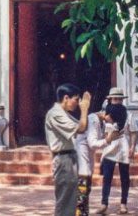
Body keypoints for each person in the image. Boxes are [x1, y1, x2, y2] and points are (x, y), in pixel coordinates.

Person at [45, 84, 92, 216]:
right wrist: (84, 109)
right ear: (66, 98)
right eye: (76, 100)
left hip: (69, 158)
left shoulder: (62, 113)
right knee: (65, 200)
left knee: (71, 200)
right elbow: (81, 128)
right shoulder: (55, 113)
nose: (77, 104)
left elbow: (82, 126)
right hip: (63, 160)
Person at [75, 102, 122, 215]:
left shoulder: (99, 122)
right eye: (113, 119)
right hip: (82, 164)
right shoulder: (93, 120)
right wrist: (108, 139)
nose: (112, 122)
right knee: (82, 194)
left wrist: (110, 137)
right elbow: (93, 144)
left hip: (86, 163)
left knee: (84, 194)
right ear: (107, 114)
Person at [96, 88, 136, 215]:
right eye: (115, 99)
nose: (117, 101)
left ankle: (123, 203)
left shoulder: (128, 114)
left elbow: (134, 131)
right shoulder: (104, 114)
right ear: (110, 100)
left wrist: (132, 147)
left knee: (125, 177)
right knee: (107, 177)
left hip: (123, 143)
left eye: (119, 99)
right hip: (110, 145)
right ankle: (104, 203)